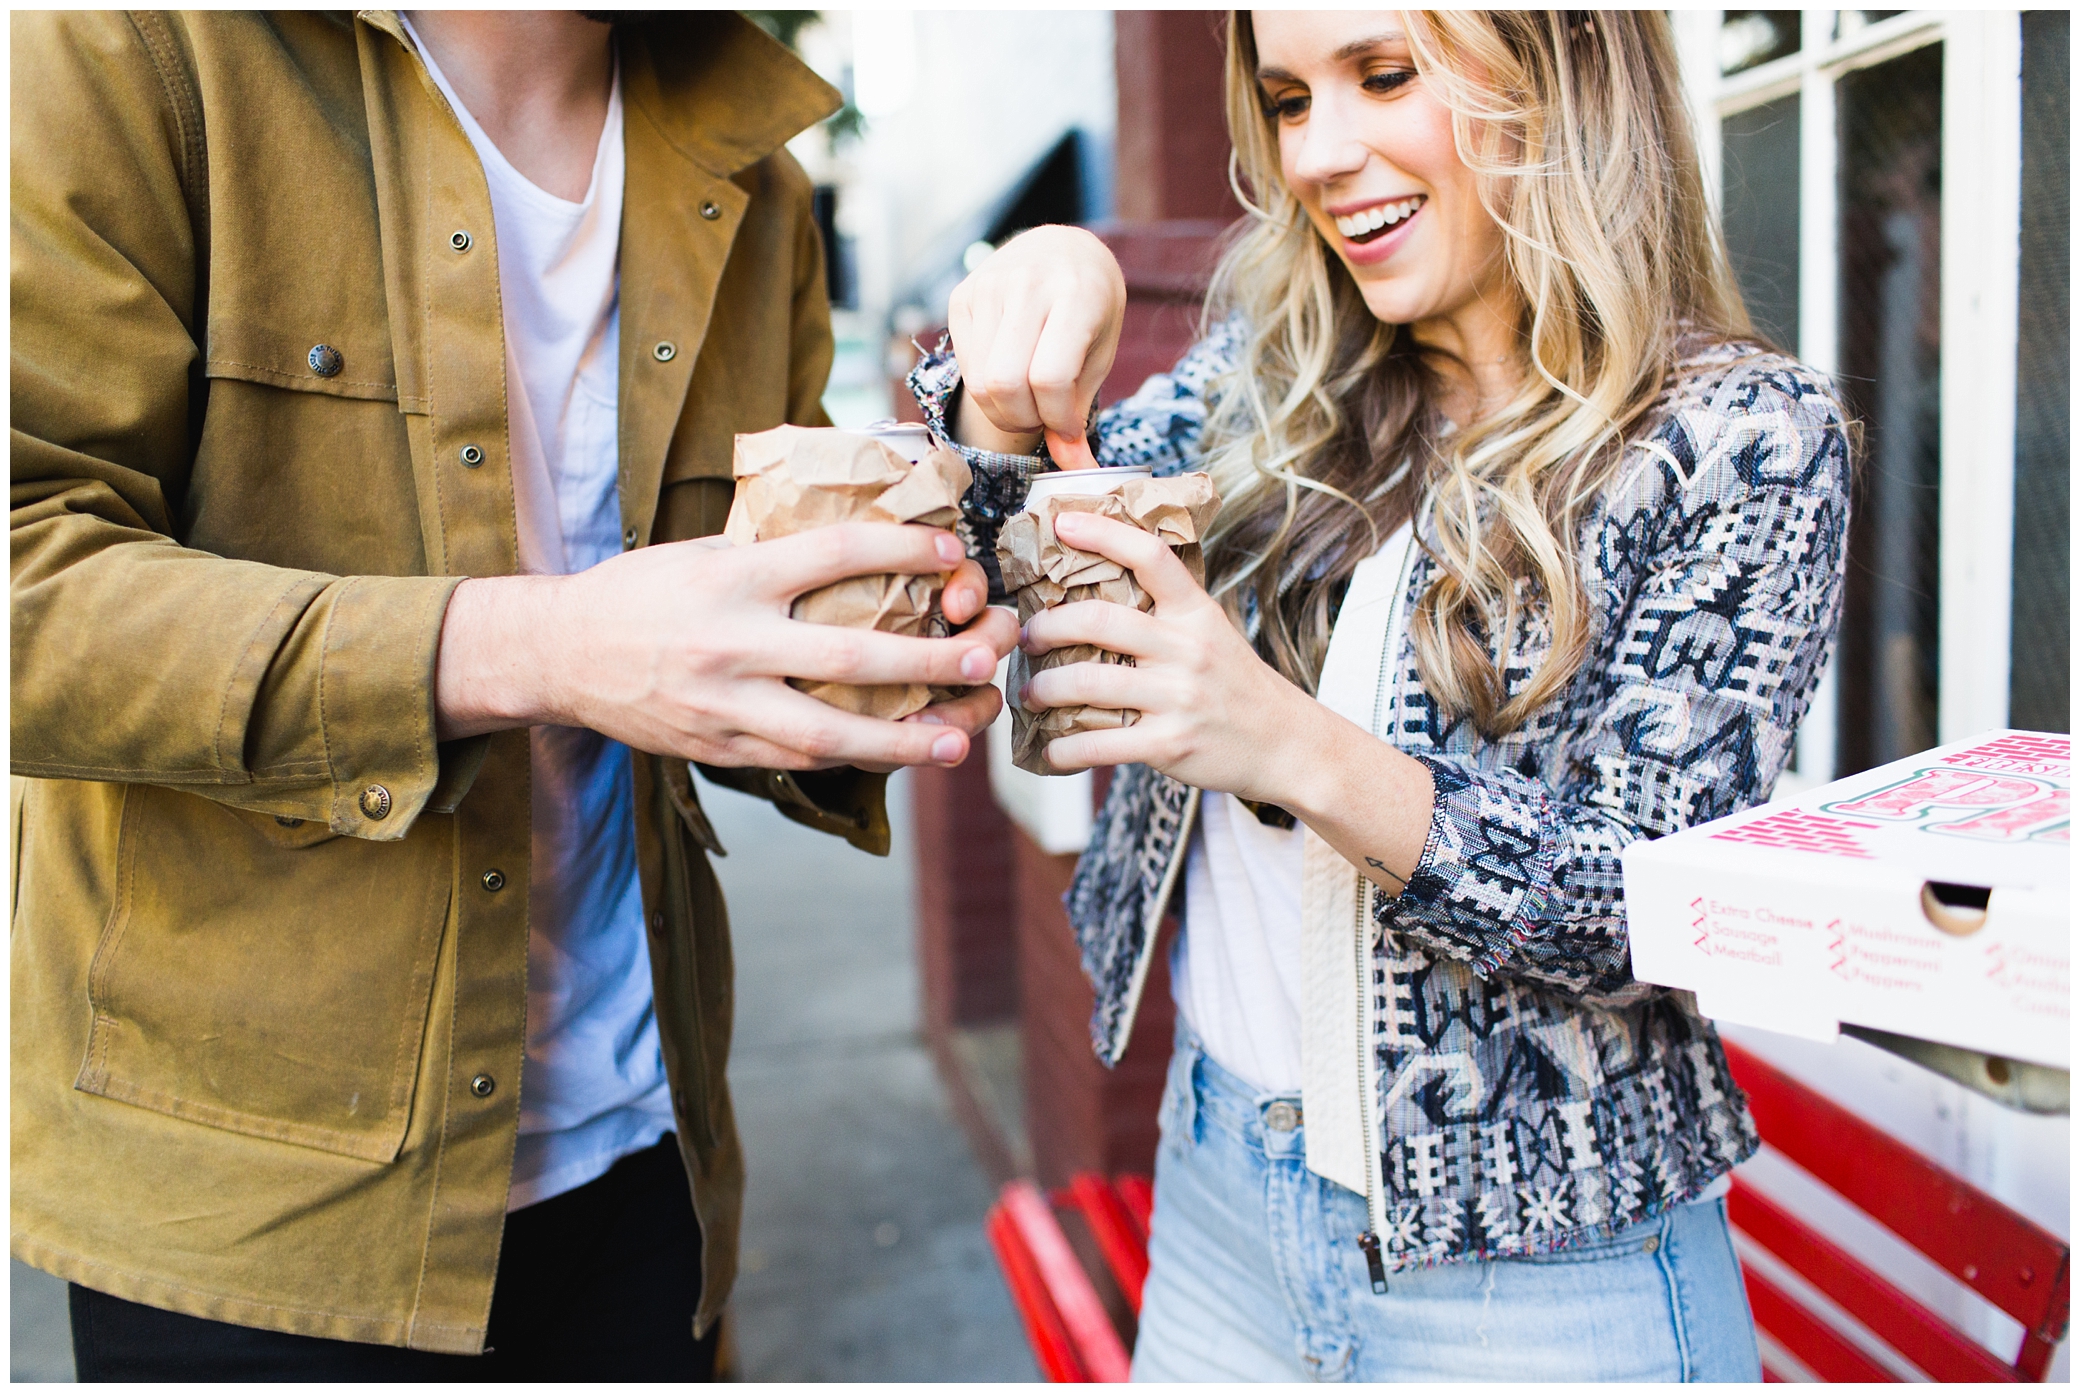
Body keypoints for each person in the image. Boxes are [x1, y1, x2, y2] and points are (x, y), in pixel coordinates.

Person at [11, 10, 1012, 1381]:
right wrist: (541, 646)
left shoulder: (752, 156)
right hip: (255, 1218)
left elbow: (725, 652)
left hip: (647, 1162)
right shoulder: (131, 47)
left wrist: (882, 674)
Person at [924, 10, 1849, 1381]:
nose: (1322, 152)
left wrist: (1282, 739)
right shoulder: (1277, 374)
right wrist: (1033, 313)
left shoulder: (1740, 438)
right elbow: (992, 557)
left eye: (1384, 75)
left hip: (1542, 1284)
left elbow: (1644, 907)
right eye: (1291, 98)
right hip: (1224, 1188)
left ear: (1563, 68)